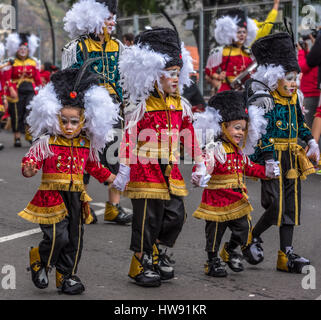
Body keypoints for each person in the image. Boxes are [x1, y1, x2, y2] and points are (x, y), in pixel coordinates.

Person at [115, 27, 207, 287]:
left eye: (178, 73)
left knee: (176, 215)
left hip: (170, 169)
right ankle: (138, 263)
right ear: (154, 75)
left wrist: (199, 162)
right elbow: (128, 136)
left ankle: (155, 251)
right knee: (147, 219)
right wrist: (123, 168)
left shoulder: (180, 104)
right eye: (170, 74)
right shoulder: (141, 104)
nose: (176, 79)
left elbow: (188, 134)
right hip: (144, 169)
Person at [18, 66, 120, 295]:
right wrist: (29, 169)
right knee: (57, 236)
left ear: (83, 121)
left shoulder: (85, 144)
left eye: (74, 122)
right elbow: (30, 160)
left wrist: (113, 177)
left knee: (74, 237)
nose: (69, 126)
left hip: (76, 196)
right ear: (55, 118)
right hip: (51, 196)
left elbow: (93, 166)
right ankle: (40, 260)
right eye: (64, 121)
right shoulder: (48, 141)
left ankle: (66, 275)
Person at [243, 32, 320, 273]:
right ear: (275, 77)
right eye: (289, 78)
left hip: (291, 158)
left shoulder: (294, 98)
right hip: (272, 158)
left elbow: (300, 122)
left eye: (296, 77)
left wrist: (311, 141)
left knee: (291, 207)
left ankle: (285, 254)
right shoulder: (265, 100)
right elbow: (261, 131)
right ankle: (252, 236)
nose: (294, 83)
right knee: (275, 205)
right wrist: (267, 158)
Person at [192, 90, 279, 277]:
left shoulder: (239, 152)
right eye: (237, 128)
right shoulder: (215, 149)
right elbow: (203, 165)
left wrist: (267, 172)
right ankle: (212, 260)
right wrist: (199, 175)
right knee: (214, 233)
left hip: (237, 200)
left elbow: (249, 168)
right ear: (223, 127)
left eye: (243, 128)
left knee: (244, 229)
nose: (241, 132)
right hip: (216, 201)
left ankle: (230, 249)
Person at [62, 0, 132, 225]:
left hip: (114, 110)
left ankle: (113, 207)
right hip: (87, 109)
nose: (112, 22)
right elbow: (69, 81)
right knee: (84, 157)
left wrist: (126, 105)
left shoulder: (119, 46)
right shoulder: (77, 47)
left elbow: (124, 80)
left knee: (114, 157)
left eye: (113, 18)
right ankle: (82, 206)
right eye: (107, 18)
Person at [205, 1, 280, 93]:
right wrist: (218, 77)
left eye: (244, 32)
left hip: (245, 92)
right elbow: (209, 71)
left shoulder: (248, 53)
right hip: (227, 91)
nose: (242, 35)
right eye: (238, 32)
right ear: (230, 33)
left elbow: (267, 26)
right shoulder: (221, 51)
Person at [4, 32, 42, 147]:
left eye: (25, 48)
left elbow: (37, 78)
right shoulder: (12, 62)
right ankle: (17, 137)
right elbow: (7, 78)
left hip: (30, 90)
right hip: (17, 90)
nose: (23, 50)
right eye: (20, 48)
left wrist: (41, 89)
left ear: (28, 49)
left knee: (29, 111)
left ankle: (28, 134)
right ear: (16, 49)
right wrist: (11, 90)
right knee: (17, 113)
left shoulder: (33, 61)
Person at [297, 35, 320, 131]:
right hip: (315, 94)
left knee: (310, 127)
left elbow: (302, 67)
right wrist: (306, 51)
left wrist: (301, 52)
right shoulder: (317, 56)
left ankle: (314, 146)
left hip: (310, 95)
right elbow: (310, 61)